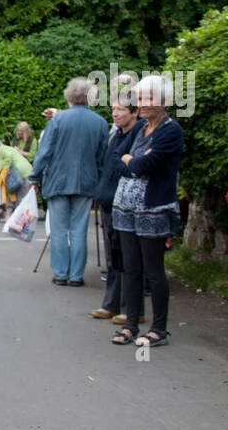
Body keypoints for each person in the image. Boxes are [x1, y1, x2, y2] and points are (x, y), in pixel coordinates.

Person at [111, 76, 184, 348]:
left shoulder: (171, 130)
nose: (141, 104)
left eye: (148, 99)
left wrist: (134, 162)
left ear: (164, 102)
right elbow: (117, 158)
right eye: (140, 99)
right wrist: (133, 162)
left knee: (153, 271)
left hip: (153, 209)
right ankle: (131, 323)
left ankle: (158, 329)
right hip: (126, 209)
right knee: (131, 268)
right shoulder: (140, 127)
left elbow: (148, 164)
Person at [31, 77, 110, 286]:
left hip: (58, 181)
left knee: (58, 229)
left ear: (70, 96)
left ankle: (60, 273)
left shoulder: (58, 120)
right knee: (78, 229)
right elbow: (102, 157)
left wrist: (34, 175)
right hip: (86, 183)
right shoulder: (100, 122)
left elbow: (44, 151)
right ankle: (76, 275)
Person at [91, 88, 145, 323]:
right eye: (113, 109)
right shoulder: (117, 135)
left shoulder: (139, 134)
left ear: (134, 112)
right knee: (114, 255)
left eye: (120, 110)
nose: (115, 114)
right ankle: (112, 303)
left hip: (126, 202)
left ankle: (132, 308)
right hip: (109, 200)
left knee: (129, 257)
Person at [0, 138, 34, 215]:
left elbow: (8, 158)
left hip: (21, 174)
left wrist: (4, 168)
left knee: (21, 199)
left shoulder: (2, 150)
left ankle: (19, 221)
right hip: (24, 172)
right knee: (17, 197)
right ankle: (10, 218)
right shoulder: (6, 148)